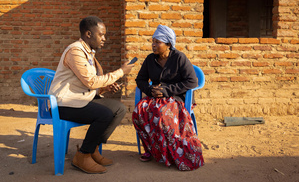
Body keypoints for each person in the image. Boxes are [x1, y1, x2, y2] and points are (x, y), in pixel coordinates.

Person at [48, 16, 134, 174]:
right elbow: (91, 81)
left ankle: (92, 148)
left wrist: (105, 89)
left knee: (119, 109)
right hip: (62, 103)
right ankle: (83, 155)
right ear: (88, 34)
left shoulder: (88, 53)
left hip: (79, 99)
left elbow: (86, 84)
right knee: (104, 114)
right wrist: (121, 71)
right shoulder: (75, 51)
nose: (104, 39)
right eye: (101, 35)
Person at [132, 24, 204, 171]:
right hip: (156, 97)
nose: (153, 45)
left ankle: (171, 153)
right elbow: (140, 80)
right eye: (153, 41)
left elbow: (192, 81)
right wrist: (150, 90)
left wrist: (167, 90)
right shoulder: (150, 59)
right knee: (139, 112)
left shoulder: (179, 58)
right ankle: (152, 149)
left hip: (177, 97)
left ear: (168, 44)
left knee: (164, 115)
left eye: (157, 42)